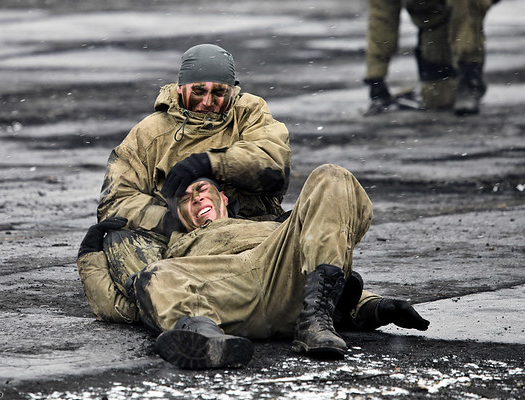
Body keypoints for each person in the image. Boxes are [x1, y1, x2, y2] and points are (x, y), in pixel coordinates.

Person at [121, 165, 430, 369]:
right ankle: (204, 339)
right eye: (186, 199)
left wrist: (373, 307)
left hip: (275, 267)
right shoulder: (175, 245)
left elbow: (317, 247)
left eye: (202, 189)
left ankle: (316, 321)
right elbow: (122, 298)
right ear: (180, 216)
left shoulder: (271, 227)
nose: (196, 197)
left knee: (332, 176)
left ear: (224, 198)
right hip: (224, 288)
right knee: (152, 275)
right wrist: (91, 253)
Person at [77, 44, 291, 324]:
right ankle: (181, 313)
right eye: (198, 92)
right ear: (180, 89)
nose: (207, 102)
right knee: (119, 240)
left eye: (219, 93)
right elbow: (116, 201)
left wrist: (213, 163)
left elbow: (274, 164)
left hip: (251, 228)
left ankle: (357, 305)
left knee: (305, 233)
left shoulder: (250, 114)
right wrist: (171, 219)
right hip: (178, 242)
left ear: (233, 91)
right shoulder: (150, 134)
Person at [364, 0, 500, 116]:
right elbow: (382, 19)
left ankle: (470, 81)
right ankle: (428, 89)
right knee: (439, 100)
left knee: (466, 4)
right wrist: (376, 78)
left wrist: (469, 68)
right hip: (434, 18)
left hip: (467, 8)